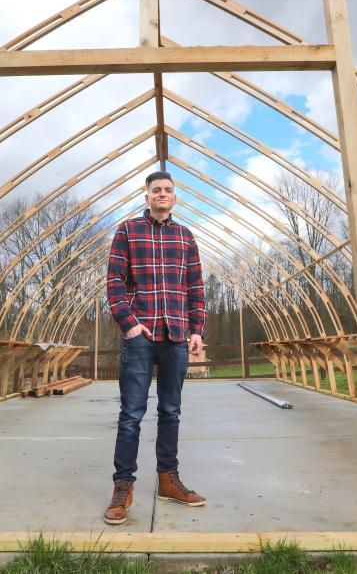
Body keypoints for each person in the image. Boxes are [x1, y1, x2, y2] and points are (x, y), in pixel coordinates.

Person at [102, 170, 207, 525]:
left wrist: (197, 330)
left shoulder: (186, 236)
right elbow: (114, 280)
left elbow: (195, 288)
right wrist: (129, 324)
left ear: (174, 198)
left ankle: (168, 480)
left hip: (177, 334)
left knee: (171, 412)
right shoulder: (128, 231)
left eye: (167, 190)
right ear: (146, 196)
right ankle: (122, 485)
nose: (162, 194)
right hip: (142, 335)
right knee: (131, 414)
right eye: (156, 190)